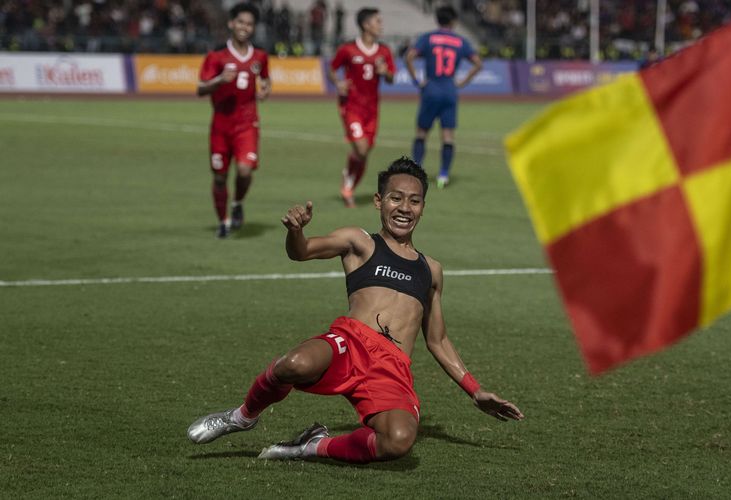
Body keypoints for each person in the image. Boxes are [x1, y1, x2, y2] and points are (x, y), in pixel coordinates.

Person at [187, 157, 524, 464]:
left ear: (423, 207)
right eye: (395, 198)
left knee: (399, 440)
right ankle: (242, 417)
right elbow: (301, 252)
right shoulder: (360, 242)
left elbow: (437, 340)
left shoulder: (431, 270)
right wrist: (296, 232)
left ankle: (312, 445)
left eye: (414, 200)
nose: (404, 207)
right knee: (294, 364)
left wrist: (475, 390)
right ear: (379, 201)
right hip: (349, 345)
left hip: (392, 370)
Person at [197, 3, 271, 239]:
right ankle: (223, 221)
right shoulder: (216, 55)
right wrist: (219, 80)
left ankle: (237, 202)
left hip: (247, 125)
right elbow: (200, 88)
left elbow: (266, 80)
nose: (244, 27)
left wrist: (264, 91)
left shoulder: (260, 55)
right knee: (219, 177)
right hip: (220, 125)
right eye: (240, 22)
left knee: (244, 171)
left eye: (249, 24)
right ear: (231, 23)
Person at [405, 5, 482, 189]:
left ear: (437, 20)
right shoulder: (460, 41)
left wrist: (417, 80)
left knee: (422, 132)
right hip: (449, 90)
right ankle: (443, 175)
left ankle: (417, 172)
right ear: (454, 21)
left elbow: (409, 57)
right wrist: (463, 82)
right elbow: (478, 63)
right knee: (448, 136)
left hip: (431, 88)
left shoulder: (428, 38)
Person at [327, 8, 395, 208]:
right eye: (377, 21)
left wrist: (385, 72)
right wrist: (338, 84)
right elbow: (332, 69)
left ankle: (349, 184)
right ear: (366, 25)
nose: (381, 25)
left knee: (364, 153)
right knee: (362, 148)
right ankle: (348, 187)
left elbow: (391, 79)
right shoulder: (348, 49)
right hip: (351, 106)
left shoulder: (384, 51)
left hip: (372, 109)